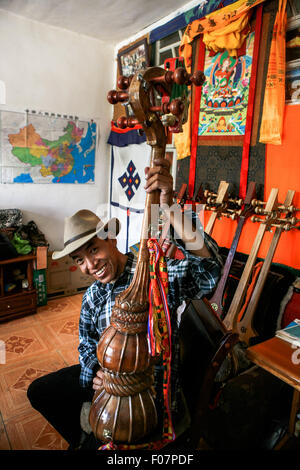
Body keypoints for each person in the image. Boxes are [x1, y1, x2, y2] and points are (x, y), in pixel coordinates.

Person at [27, 157, 222, 449]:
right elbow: (86, 344)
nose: (91, 265)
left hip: (146, 397)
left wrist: (171, 209)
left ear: (112, 241)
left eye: (94, 250)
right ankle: (84, 438)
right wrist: (95, 373)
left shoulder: (154, 275)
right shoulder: (92, 295)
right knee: (39, 392)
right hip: (109, 387)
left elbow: (210, 271)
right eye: (80, 260)